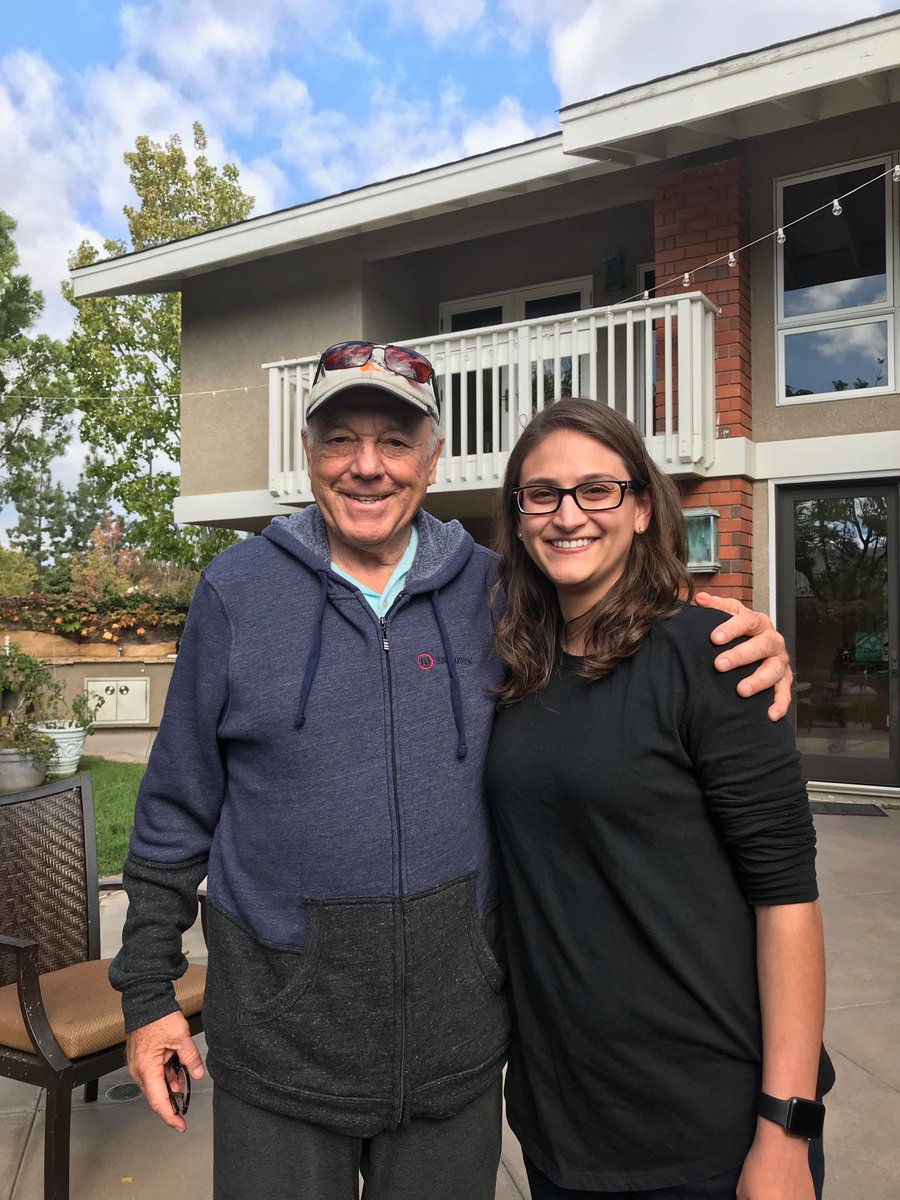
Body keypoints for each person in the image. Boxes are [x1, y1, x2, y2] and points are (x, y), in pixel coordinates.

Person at [110, 344, 793, 1200]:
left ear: (433, 458)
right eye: (340, 440)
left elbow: (621, 609)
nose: (367, 466)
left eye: (395, 441)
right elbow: (174, 807)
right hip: (280, 1050)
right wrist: (148, 992)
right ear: (307, 453)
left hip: (456, 1053)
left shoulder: (501, 592)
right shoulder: (236, 592)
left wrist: (734, 634)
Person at [485, 398, 833, 1200]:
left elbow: (787, 900)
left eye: (597, 490)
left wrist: (787, 1129)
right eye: (542, 494)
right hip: (562, 1120)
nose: (568, 514)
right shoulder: (516, 669)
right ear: (519, 514)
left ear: (642, 507)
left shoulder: (715, 658)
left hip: (706, 1128)